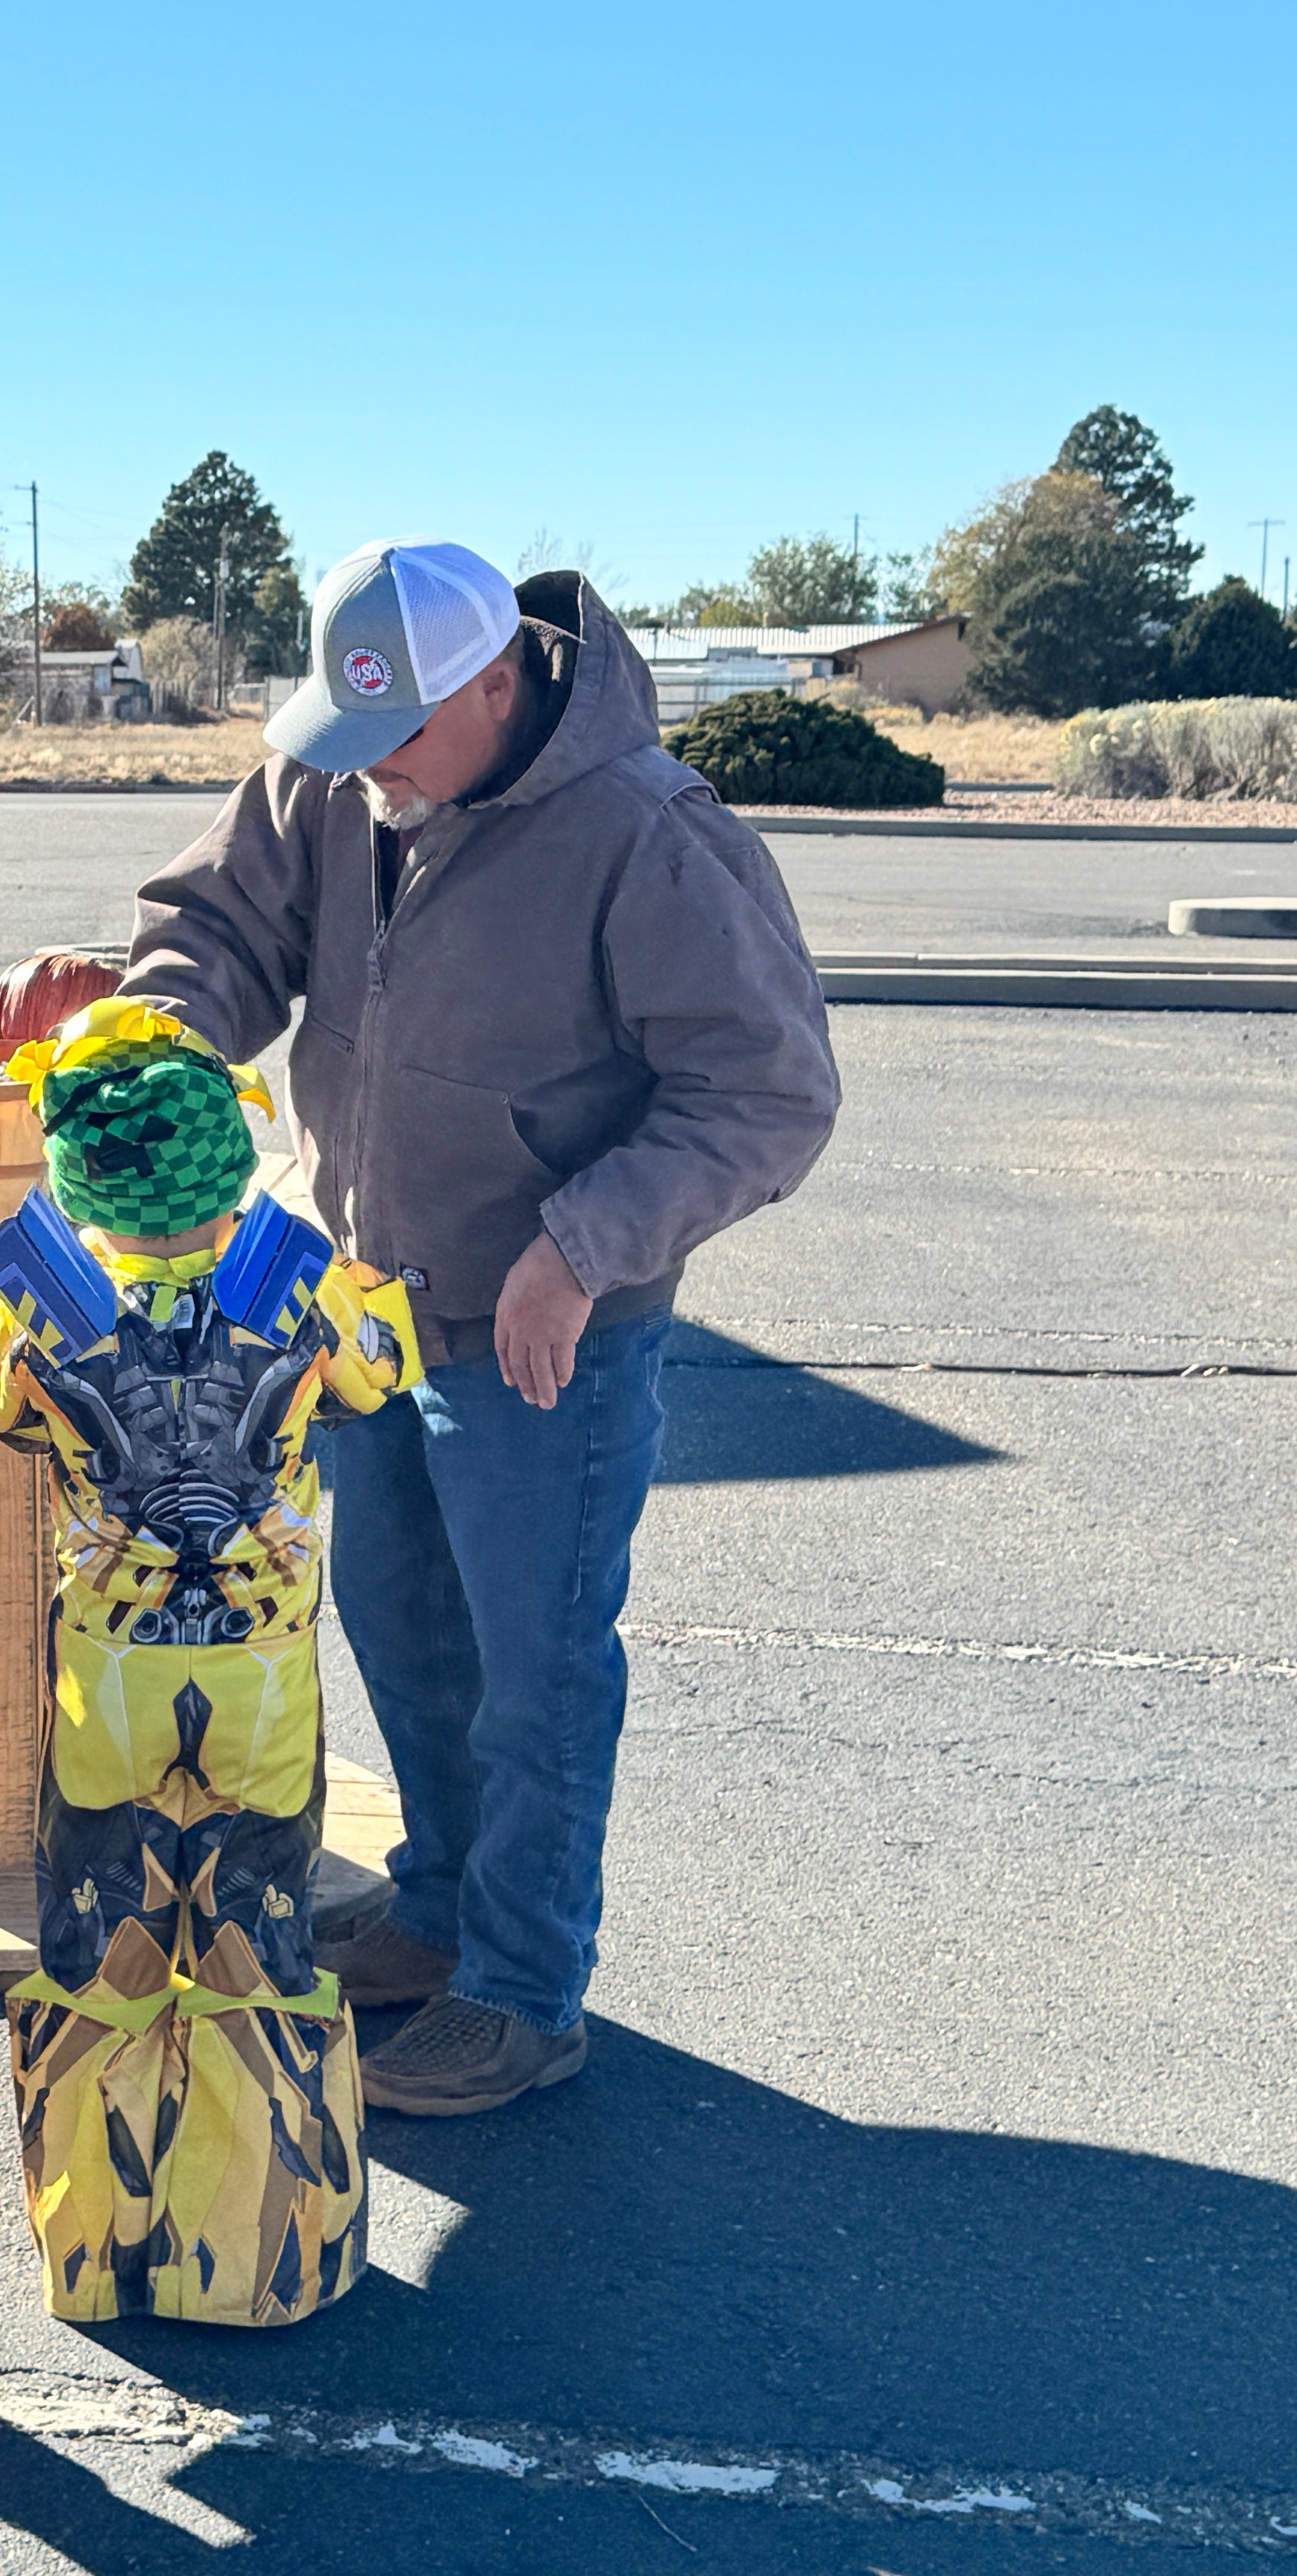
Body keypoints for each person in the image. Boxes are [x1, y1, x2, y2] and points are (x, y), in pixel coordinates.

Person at [115, 539, 840, 2120]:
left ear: (498, 684)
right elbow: (223, 933)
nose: (366, 770)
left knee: (537, 1669)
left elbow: (768, 1091)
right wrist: (158, 1031)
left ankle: (522, 1990)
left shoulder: (650, 835)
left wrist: (581, 1247)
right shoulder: (334, 777)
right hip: (364, 1302)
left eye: (399, 738)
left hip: (545, 1335)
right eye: (348, 737)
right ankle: (440, 1910)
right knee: (404, 1630)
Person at [0, 1001, 422, 2324]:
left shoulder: (34, 1304)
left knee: (102, 1949)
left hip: (109, 1678)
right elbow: (383, 1373)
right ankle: (260, 2264)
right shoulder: (301, 1279)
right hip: (261, 1678)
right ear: (226, 1154)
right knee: (260, 1946)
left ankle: (97, 2258)